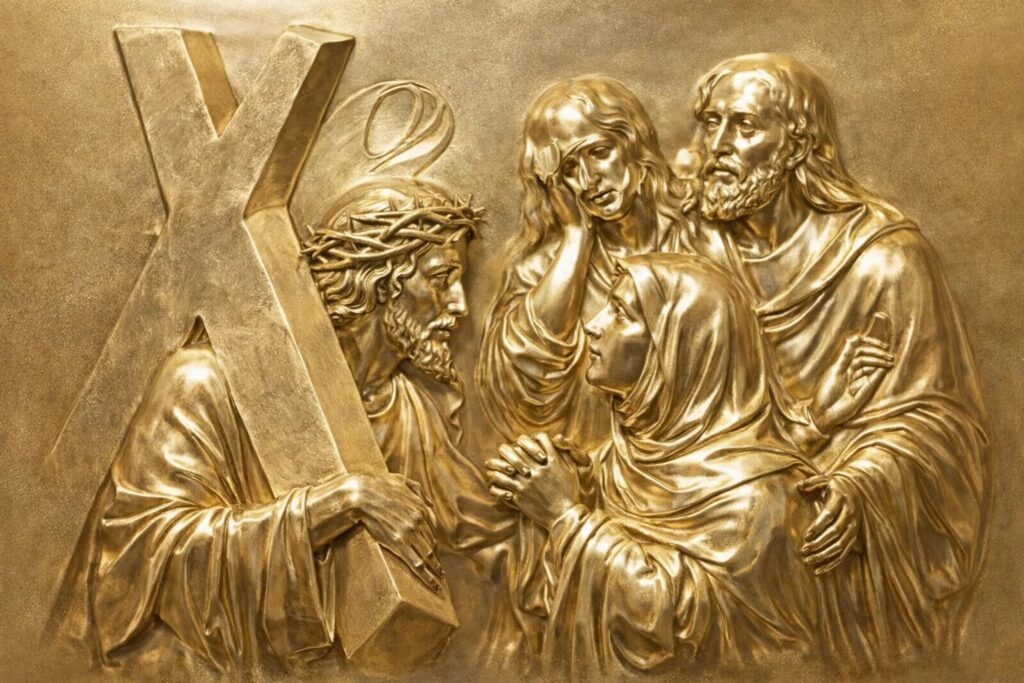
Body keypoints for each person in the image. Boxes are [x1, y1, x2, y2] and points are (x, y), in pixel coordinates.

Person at [52, 177, 511, 674]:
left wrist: (559, 511)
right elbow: (133, 569)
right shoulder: (204, 384)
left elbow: (488, 541)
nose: (461, 305)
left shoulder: (408, 409)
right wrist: (335, 505)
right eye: (442, 278)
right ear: (379, 282)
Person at [687, 54, 988, 667]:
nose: (717, 146)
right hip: (714, 514)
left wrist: (863, 484)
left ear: (797, 144)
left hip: (832, 523)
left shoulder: (885, 261)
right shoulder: (692, 250)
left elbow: (939, 424)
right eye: (711, 123)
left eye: (745, 126)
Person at [486, 254, 822, 675]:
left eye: (620, 313)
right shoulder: (611, 463)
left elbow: (704, 641)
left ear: (681, 351)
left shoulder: (758, 497)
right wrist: (553, 492)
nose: (593, 324)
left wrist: (565, 517)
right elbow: (548, 606)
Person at [477, 76, 694, 452]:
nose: (589, 179)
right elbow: (520, 392)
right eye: (568, 167)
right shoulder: (540, 269)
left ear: (633, 144)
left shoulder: (697, 237)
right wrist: (576, 235)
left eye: (599, 152)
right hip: (593, 462)